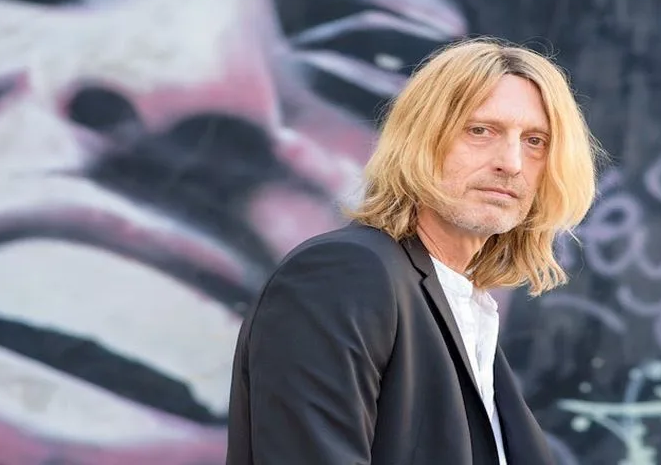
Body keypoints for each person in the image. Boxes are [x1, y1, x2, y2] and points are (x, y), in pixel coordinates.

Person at [226, 37, 601, 465]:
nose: (511, 163)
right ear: (420, 140)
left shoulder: (467, 308)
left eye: (535, 141)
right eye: (480, 131)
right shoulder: (344, 274)